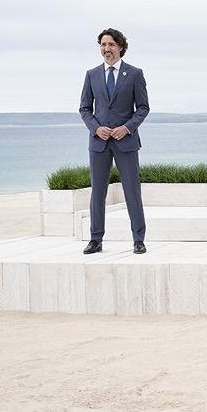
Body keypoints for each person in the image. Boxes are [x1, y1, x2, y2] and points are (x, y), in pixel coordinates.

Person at [79, 28, 150, 255]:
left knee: (132, 191)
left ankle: (138, 239)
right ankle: (95, 239)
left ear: (120, 47)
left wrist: (126, 128)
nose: (106, 49)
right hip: (99, 143)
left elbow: (143, 108)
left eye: (110, 45)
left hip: (125, 142)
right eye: (103, 45)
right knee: (97, 192)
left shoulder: (135, 74)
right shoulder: (91, 75)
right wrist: (96, 128)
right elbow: (84, 108)